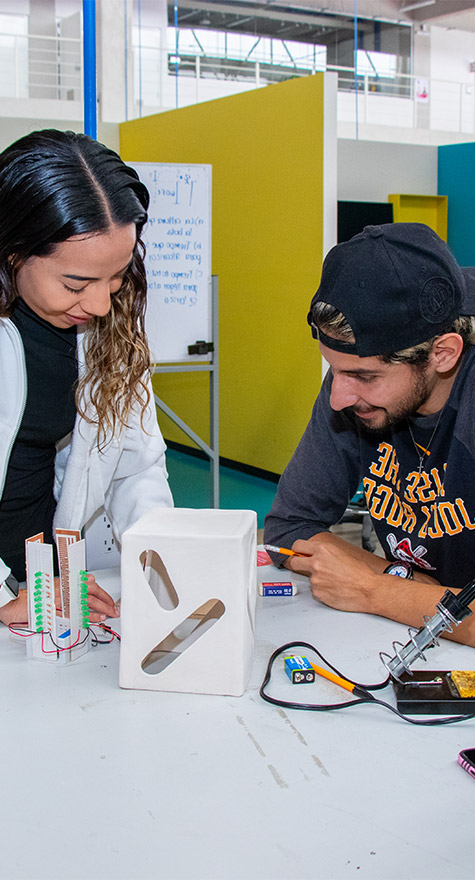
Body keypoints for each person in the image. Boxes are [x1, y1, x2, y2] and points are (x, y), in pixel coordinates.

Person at [264, 222, 475, 646]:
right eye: (334, 370)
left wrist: (373, 589)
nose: (339, 396)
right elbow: (289, 528)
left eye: (364, 375)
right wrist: (405, 583)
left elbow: (367, 586)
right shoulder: (353, 388)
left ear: (443, 354)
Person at [0, 129, 173, 627]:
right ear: (12, 252)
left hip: (44, 575)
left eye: (117, 277)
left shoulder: (104, 326)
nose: (101, 305)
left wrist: (161, 565)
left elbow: (136, 465)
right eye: (76, 284)